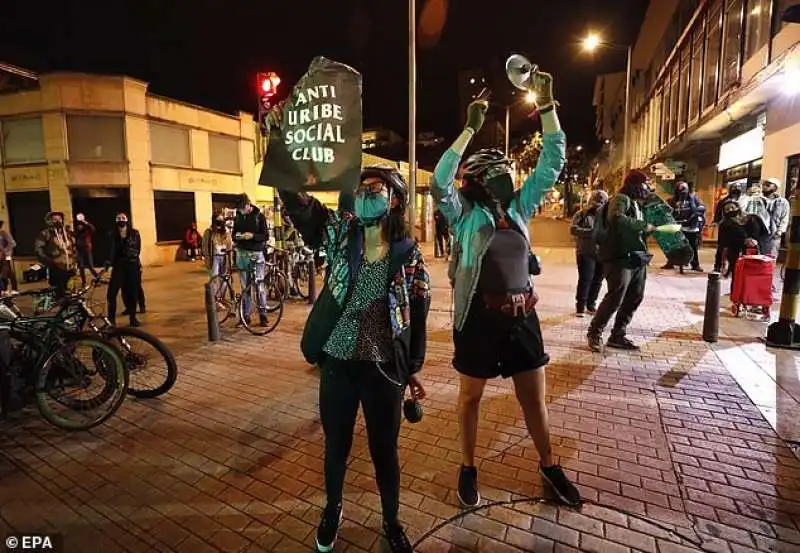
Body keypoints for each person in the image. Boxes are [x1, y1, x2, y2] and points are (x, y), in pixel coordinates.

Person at [431, 69, 581, 509]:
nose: (507, 175)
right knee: (471, 396)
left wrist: (549, 109)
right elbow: (440, 181)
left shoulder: (520, 206)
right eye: (495, 171)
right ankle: (468, 466)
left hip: (523, 317)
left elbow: (552, 162)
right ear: (477, 181)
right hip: (477, 318)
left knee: (534, 399)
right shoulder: (463, 216)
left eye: (506, 170)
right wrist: (468, 130)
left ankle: (550, 466)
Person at [274, 161, 430, 550]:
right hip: (338, 365)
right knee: (335, 445)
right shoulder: (341, 235)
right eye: (362, 189)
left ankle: (392, 520)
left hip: (383, 370)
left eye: (376, 189)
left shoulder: (409, 253)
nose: (366, 194)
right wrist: (282, 158)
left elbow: (419, 309)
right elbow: (302, 209)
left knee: (385, 450)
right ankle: (332, 508)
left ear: (394, 200)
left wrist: (412, 368)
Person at [587, 170, 656, 353]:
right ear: (635, 185)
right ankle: (594, 332)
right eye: (644, 184)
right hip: (619, 257)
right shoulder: (621, 199)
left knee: (635, 296)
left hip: (635, 257)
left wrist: (650, 229)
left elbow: (634, 230)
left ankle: (618, 335)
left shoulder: (637, 204)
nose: (647, 188)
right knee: (615, 296)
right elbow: (616, 219)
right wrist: (642, 225)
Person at [232, 194, 270, 327]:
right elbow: (233, 235)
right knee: (245, 287)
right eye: (239, 208)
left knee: (259, 285)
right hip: (242, 254)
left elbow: (265, 236)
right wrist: (238, 237)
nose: (242, 210)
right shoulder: (238, 217)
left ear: (249, 204)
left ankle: (263, 314)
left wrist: (252, 236)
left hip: (256, 254)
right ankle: (245, 316)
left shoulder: (259, 217)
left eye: (243, 207)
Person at [570, 190, 608, 317]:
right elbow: (573, 229)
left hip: (602, 253)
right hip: (585, 252)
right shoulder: (581, 214)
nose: (598, 205)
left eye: (601, 202)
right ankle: (580, 306)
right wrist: (590, 232)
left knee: (598, 280)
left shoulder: (608, 216)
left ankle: (591, 305)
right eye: (596, 201)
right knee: (585, 279)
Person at [107, 213, 142, 327]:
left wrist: (135, 261)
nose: (121, 221)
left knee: (132, 292)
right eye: (119, 219)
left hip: (131, 266)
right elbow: (110, 249)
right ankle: (111, 320)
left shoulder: (134, 233)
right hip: (118, 266)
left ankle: (133, 318)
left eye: (123, 218)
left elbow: (137, 248)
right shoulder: (112, 234)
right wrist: (109, 261)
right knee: (112, 294)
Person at [663, 181, 705, 271]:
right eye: (680, 193)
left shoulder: (694, 199)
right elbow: (666, 211)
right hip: (677, 226)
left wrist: (695, 214)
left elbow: (702, 208)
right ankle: (671, 262)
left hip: (691, 227)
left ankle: (695, 264)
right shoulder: (672, 200)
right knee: (673, 246)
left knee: (693, 246)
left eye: (685, 192)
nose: (683, 195)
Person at [34, 211, 77, 299]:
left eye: (59, 219)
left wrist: (75, 260)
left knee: (67, 291)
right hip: (56, 267)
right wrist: (49, 261)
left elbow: (74, 247)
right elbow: (38, 249)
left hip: (69, 267)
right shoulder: (45, 233)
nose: (57, 221)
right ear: (50, 221)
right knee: (59, 292)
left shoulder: (67, 233)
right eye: (54, 219)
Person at [712, 183, 743, 272]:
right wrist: (717, 222)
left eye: (738, 187)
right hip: (725, 227)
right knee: (721, 248)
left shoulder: (743, 200)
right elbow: (718, 214)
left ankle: (734, 267)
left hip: (738, 228)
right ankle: (718, 266)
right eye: (734, 187)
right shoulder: (724, 201)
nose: (736, 189)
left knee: (736, 248)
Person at [764, 178, 790, 258]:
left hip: (774, 234)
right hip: (760, 233)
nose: (764, 186)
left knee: (771, 257)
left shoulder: (783, 202)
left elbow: (785, 217)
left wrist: (779, 232)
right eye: (764, 185)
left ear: (775, 188)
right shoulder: (758, 199)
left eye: (768, 185)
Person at [73, 213, 100, 286]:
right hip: (80, 251)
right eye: (78, 225)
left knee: (90, 266)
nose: (79, 227)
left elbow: (93, 228)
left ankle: (98, 278)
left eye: (80, 225)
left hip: (87, 250)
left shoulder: (87, 231)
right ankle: (84, 282)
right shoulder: (77, 233)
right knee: (81, 267)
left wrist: (85, 221)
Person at [202, 213, 233, 278]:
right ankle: (214, 288)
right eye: (218, 220)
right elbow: (205, 246)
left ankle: (223, 288)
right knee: (214, 277)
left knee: (224, 277)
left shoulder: (226, 232)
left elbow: (229, 246)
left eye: (222, 220)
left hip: (224, 257)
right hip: (214, 257)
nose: (220, 222)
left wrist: (230, 260)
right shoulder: (208, 232)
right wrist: (207, 258)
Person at [0, 221, 17, 294]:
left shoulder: (4, 233)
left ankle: (14, 289)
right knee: (2, 273)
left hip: (6, 256)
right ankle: (4, 289)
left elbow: (13, 243)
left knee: (7, 272)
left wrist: (4, 251)